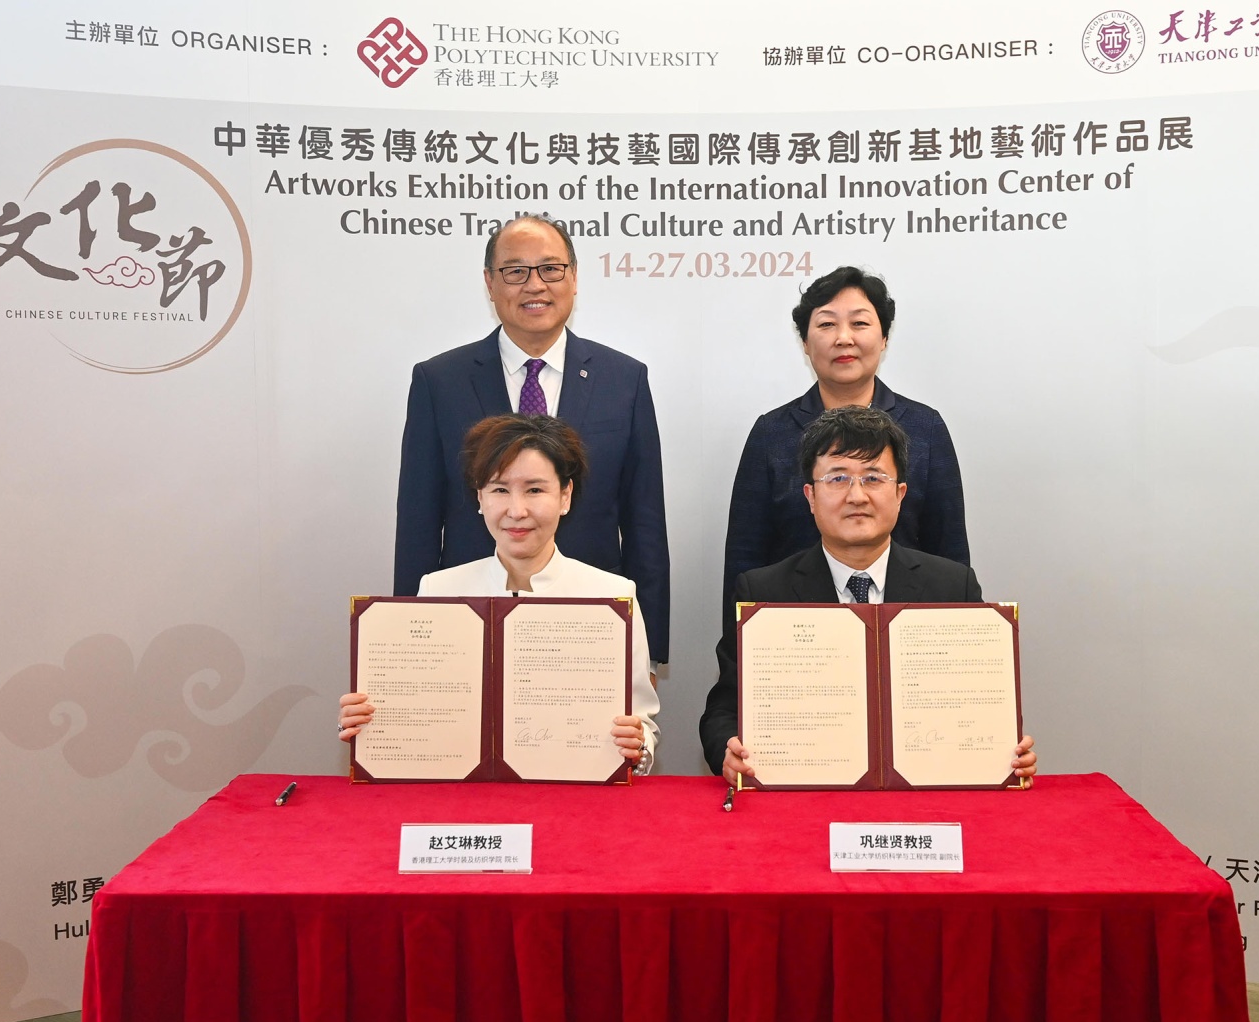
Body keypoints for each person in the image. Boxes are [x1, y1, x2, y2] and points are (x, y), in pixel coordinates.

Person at [699, 405, 1033, 783]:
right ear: (810, 496)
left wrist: (1005, 749)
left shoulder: (953, 586)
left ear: (900, 493)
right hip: (805, 794)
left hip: (922, 799)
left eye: (873, 478)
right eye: (838, 479)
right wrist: (727, 750)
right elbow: (723, 710)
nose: (857, 496)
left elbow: (981, 709)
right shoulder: (764, 592)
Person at [394, 214, 671, 666]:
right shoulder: (439, 381)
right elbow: (418, 523)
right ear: (489, 282)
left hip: (591, 620)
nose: (534, 285)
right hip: (470, 618)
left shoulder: (624, 379)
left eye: (550, 269)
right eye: (515, 271)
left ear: (574, 277)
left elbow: (645, 523)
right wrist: (413, 637)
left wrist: (648, 649)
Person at [344, 414, 659, 769]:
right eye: (499, 489)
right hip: (461, 803)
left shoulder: (614, 596)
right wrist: (371, 721)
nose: (516, 510)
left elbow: (643, 724)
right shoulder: (439, 589)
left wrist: (637, 746)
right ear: (480, 496)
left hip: (575, 799)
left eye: (535, 490)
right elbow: (418, 710)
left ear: (565, 496)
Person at [721, 266, 968, 629]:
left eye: (860, 323)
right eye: (826, 325)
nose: (843, 338)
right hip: (796, 637)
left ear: (884, 337)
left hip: (911, 634)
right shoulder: (771, 433)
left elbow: (949, 550)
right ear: (805, 343)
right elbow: (745, 558)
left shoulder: (925, 427)